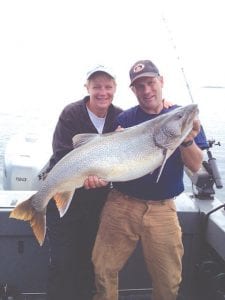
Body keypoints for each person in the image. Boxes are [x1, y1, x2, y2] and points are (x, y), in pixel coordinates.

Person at [91, 60, 208, 300]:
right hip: (120, 204)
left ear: (161, 81)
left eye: (151, 83)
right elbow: (107, 159)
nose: (147, 90)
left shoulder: (181, 117)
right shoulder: (124, 119)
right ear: (133, 90)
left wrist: (186, 139)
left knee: (169, 281)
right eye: (139, 86)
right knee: (103, 270)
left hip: (163, 210)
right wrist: (96, 176)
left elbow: (196, 165)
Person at [45, 65, 123, 300]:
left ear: (115, 89)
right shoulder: (71, 113)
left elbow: (150, 120)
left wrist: (168, 106)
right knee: (62, 262)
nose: (102, 92)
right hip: (64, 195)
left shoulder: (121, 117)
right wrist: (86, 174)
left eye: (108, 87)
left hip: (96, 204)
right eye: (96, 86)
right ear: (87, 87)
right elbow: (61, 154)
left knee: (89, 262)